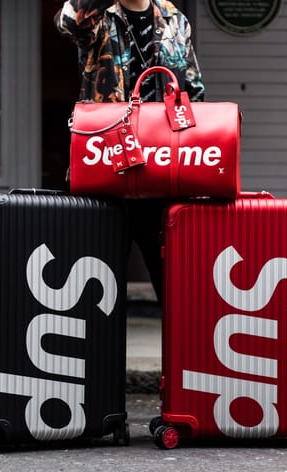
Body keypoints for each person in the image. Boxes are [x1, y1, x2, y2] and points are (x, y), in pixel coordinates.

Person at [55, 0, 205, 301]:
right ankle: (95, 346)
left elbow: (193, 90)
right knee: (97, 283)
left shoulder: (173, 18)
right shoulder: (100, 15)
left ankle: (181, 347)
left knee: (174, 282)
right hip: (107, 165)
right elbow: (69, 22)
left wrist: (194, 156)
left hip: (162, 168)